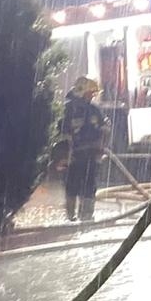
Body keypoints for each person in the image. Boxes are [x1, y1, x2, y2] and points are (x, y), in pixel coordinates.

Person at [59, 76, 109, 222]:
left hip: (91, 155)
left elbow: (105, 129)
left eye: (93, 94)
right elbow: (62, 133)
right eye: (90, 93)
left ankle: (86, 215)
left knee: (89, 185)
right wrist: (65, 154)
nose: (92, 96)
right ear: (81, 92)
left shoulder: (94, 109)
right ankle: (70, 215)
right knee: (72, 185)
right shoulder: (68, 110)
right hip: (73, 156)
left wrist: (101, 146)